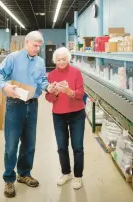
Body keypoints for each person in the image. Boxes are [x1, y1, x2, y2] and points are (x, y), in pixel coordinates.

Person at [0, 31, 53, 198]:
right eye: (35, 45)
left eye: (39, 46)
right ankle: (9, 179)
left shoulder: (40, 61)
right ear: (26, 42)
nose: (37, 49)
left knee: (29, 143)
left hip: (32, 105)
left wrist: (48, 87)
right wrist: (4, 87)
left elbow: (42, 80)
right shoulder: (13, 58)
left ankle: (24, 173)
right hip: (15, 104)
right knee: (11, 145)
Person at [45, 47, 86, 190]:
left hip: (77, 114)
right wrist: (54, 92)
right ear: (54, 60)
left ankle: (78, 176)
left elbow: (81, 94)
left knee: (78, 147)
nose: (61, 62)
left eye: (64, 59)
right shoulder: (51, 75)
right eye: (58, 59)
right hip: (59, 115)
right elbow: (48, 98)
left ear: (68, 59)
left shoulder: (76, 72)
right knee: (62, 147)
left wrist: (69, 91)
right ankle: (66, 173)